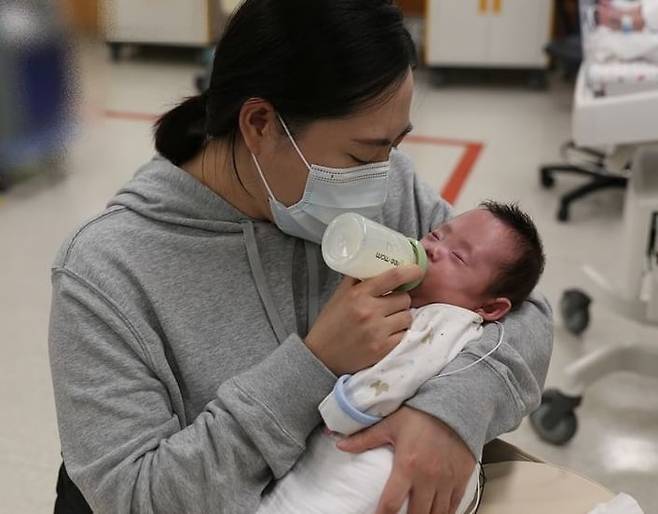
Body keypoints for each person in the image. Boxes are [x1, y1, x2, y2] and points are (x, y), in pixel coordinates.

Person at [49, 1, 553, 513]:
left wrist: (450, 413)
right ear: (261, 123)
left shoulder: (388, 188)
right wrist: (314, 364)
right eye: (360, 156)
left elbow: (521, 308)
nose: (383, 176)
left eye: (394, 147)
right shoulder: (107, 271)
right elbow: (137, 499)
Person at [256, 201, 546, 514]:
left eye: (458, 257)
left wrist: (346, 404)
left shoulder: (445, 322)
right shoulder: (407, 300)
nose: (434, 250)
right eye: (436, 235)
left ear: (490, 309)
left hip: (381, 445)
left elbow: (396, 375)